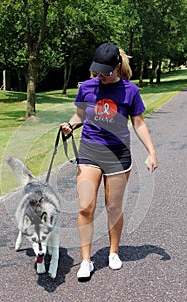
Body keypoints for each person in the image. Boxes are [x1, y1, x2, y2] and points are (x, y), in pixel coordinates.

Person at [61, 42, 158, 280]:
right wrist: (71, 124)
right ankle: (86, 261)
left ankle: (113, 252)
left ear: (116, 66)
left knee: (113, 207)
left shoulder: (130, 91)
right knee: (86, 207)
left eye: (105, 72)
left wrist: (152, 152)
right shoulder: (87, 87)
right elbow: (80, 114)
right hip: (90, 151)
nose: (100, 76)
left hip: (117, 154)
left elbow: (139, 123)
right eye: (97, 71)